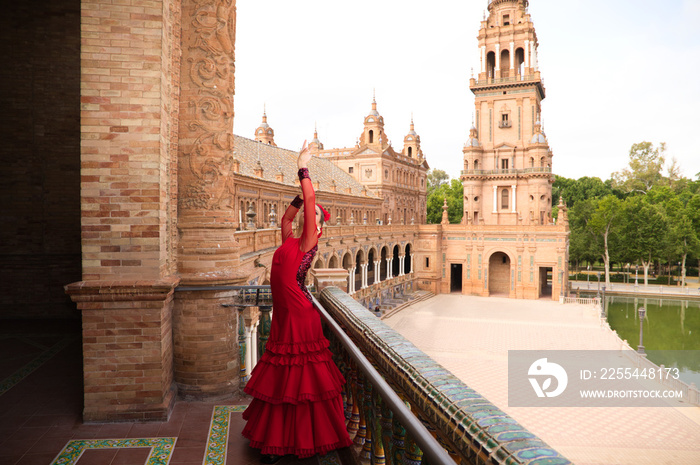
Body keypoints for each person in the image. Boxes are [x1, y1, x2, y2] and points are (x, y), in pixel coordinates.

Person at [242, 142, 352, 464]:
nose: (307, 210)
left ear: (317, 224)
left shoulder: (308, 242)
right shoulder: (289, 237)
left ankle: (301, 440)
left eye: (312, 212)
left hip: (301, 317)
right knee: (281, 381)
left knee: (301, 382)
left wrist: (303, 168)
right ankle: (275, 440)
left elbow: (311, 200)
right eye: (306, 208)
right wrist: (297, 193)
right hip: (284, 317)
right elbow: (286, 217)